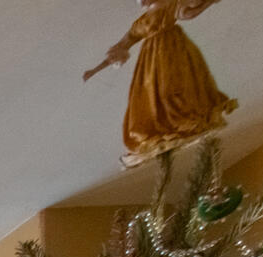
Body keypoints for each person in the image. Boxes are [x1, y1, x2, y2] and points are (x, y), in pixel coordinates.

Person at [85, 0, 236, 165]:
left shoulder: (170, 4)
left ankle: (182, 121)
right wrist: (95, 70)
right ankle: (164, 126)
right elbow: (123, 44)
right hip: (150, 62)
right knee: (150, 96)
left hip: (172, 50)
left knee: (172, 88)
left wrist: (209, 3)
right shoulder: (141, 21)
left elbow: (188, 13)